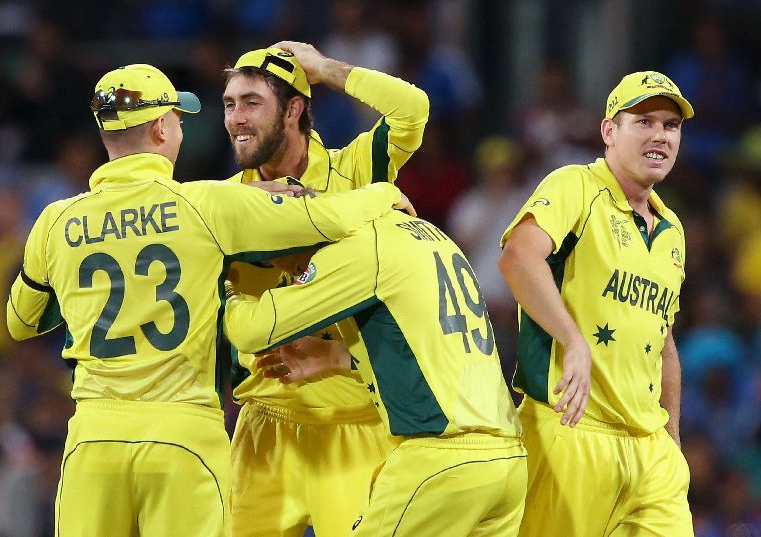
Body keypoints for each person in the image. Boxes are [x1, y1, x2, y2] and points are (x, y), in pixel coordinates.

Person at [5, 63, 411, 537]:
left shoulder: (55, 221)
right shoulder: (207, 204)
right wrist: (381, 194)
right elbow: (329, 220)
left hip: (94, 439)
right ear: (160, 128)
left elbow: (20, 323)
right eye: (178, 118)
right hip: (183, 437)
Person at [222, 41, 429, 536]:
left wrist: (326, 69)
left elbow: (412, 109)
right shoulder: (224, 201)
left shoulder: (358, 171)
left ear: (294, 109)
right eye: (229, 104)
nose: (236, 118)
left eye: (252, 103)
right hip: (263, 427)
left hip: (354, 423)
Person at [223, 210, 527, 537]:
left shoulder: (356, 251)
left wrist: (228, 292)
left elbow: (252, 332)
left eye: (296, 267)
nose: (295, 275)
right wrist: (338, 356)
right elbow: (424, 339)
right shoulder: (424, 233)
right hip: (506, 458)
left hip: (440, 457)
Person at [499, 71, 696, 536]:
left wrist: (673, 446)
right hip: (569, 433)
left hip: (651, 454)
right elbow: (518, 258)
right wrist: (574, 341)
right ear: (609, 131)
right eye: (643, 121)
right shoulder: (576, 186)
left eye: (671, 125)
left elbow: (662, 343)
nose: (660, 136)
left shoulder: (673, 229)